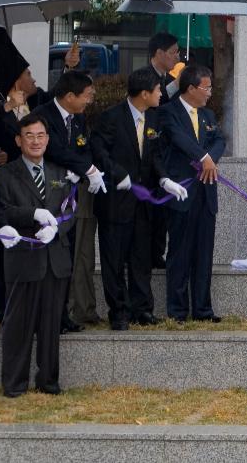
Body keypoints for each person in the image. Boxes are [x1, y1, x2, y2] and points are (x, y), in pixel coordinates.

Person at [0, 115, 74, 397]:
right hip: (23, 260)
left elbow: (69, 212)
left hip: (55, 260)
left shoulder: (60, 173)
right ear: (18, 140)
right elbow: (1, 211)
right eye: (29, 135)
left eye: (40, 135)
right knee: (18, 325)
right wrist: (32, 215)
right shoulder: (5, 174)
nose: (36, 141)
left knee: (51, 326)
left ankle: (48, 381)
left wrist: (57, 229)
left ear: (48, 139)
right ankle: (14, 384)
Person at [29, 70, 104, 332]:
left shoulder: (79, 118)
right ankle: (44, 315)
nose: (88, 101)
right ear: (70, 96)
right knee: (47, 258)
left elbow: (83, 147)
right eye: (86, 96)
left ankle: (62, 315)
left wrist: (84, 167)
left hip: (70, 197)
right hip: (46, 195)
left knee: (67, 257)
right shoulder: (42, 116)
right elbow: (54, 149)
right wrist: (87, 169)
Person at [91, 67, 165, 329]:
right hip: (116, 202)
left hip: (143, 203)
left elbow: (155, 155)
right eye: (157, 90)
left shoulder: (154, 119)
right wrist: (117, 174)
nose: (160, 94)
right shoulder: (111, 118)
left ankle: (142, 309)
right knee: (114, 259)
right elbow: (99, 152)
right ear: (144, 93)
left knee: (141, 258)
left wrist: (165, 178)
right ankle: (119, 312)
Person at [0, 64, 49, 324]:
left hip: (34, 186)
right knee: (3, 250)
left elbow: (57, 97)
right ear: (16, 83)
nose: (33, 79)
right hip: (7, 187)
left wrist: (68, 66)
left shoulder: (37, 103)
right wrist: (8, 106)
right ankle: (3, 308)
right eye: (28, 75)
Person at [158, 63, 226, 322]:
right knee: (180, 252)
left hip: (206, 193)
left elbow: (220, 139)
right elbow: (178, 138)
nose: (210, 92)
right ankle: (177, 311)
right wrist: (203, 157)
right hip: (182, 193)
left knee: (203, 253)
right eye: (206, 87)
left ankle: (203, 309)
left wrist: (211, 159)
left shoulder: (208, 115)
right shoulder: (168, 112)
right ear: (191, 88)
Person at [138, 32, 181, 270]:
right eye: (174, 51)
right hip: (150, 151)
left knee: (161, 211)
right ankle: (150, 254)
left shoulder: (163, 78)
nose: (177, 56)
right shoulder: (146, 78)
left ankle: (156, 253)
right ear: (159, 53)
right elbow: (157, 108)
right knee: (151, 210)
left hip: (163, 154)